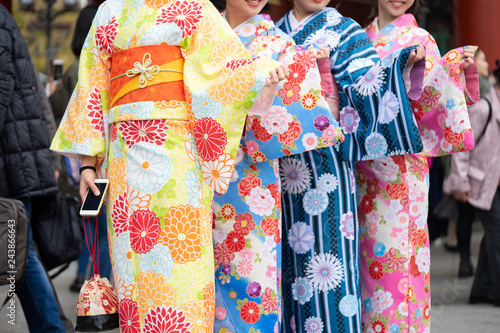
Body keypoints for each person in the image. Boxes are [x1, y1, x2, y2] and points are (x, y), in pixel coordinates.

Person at [50, 0, 289, 331]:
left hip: (178, 158)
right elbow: (93, 84)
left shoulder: (194, 7)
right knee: (133, 267)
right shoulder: (110, 10)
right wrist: (89, 164)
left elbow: (223, 69)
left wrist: (260, 72)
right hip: (124, 161)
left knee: (181, 263)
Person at [276, 1, 427, 332]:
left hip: (326, 173)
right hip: (277, 173)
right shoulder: (274, 33)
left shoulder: (345, 31)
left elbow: (367, 86)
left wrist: (400, 65)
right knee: (282, 275)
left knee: (327, 272)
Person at [213, 1, 339, 332]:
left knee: (253, 277)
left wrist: (266, 93)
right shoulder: (204, 31)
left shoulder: (280, 43)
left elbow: (300, 116)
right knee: (201, 281)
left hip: (251, 181)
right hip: (199, 173)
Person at [357, 1, 479, 332]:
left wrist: (452, 67)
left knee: (398, 261)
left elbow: (433, 102)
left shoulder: (420, 37)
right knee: (366, 266)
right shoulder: (358, 39)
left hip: (401, 173)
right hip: (361, 173)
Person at [0, 4, 68, 333]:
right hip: (16, 159)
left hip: (12, 163)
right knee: (20, 256)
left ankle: (52, 328)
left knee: (18, 257)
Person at [49, 4, 112, 292]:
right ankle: (99, 279)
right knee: (103, 225)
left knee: (90, 219)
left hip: (82, 158)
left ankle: (83, 276)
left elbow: (60, 107)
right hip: (103, 152)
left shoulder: (76, 69)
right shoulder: (89, 66)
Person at [444, 60, 500, 306]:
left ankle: (481, 290)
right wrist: (458, 183)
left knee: (493, 234)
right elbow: (462, 147)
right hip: (480, 182)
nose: (486, 63)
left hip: (493, 182)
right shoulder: (484, 107)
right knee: (497, 233)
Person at [453, 48, 492, 278]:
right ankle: (468, 262)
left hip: (469, 158)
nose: (486, 64)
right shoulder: (484, 89)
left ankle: (466, 261)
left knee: (465, 216)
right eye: (483, 59)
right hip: (468, 158)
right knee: (467, 214)